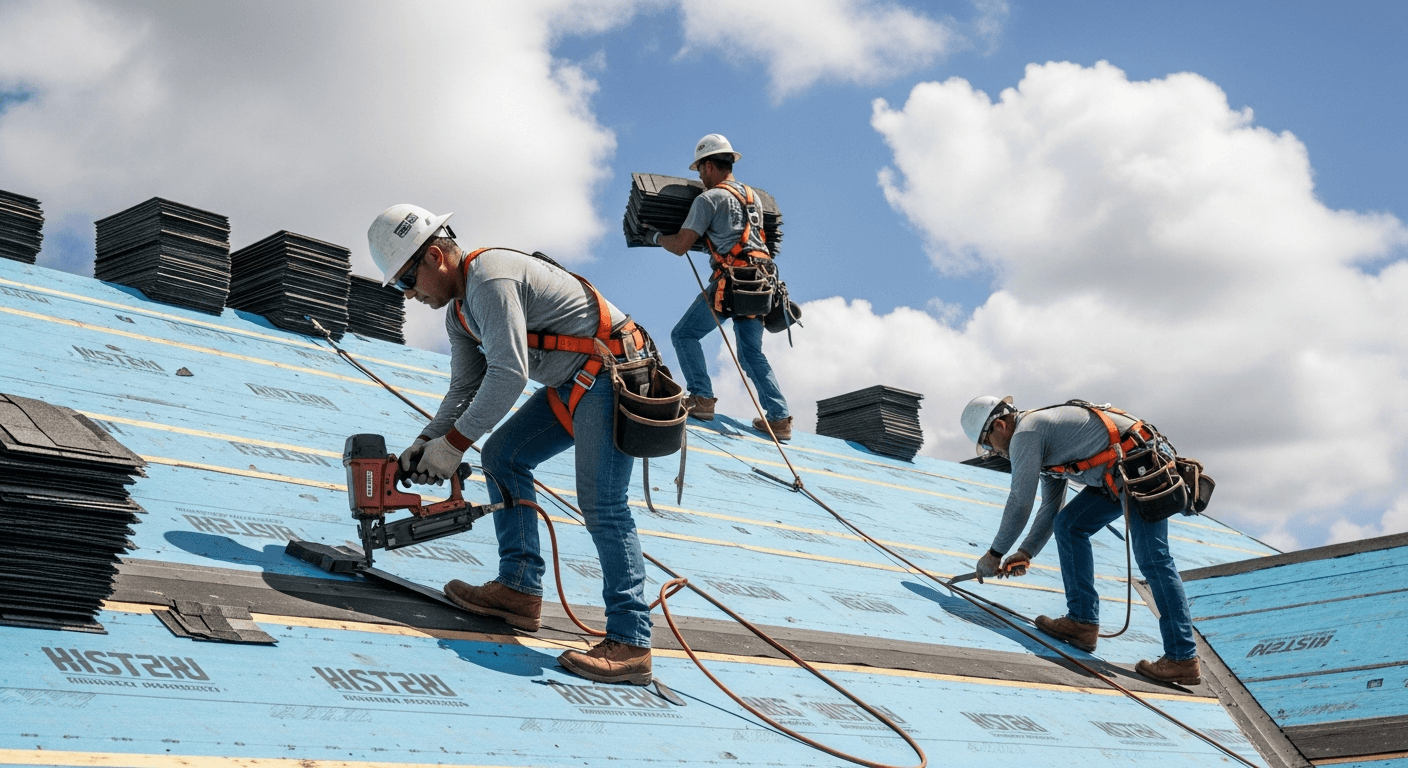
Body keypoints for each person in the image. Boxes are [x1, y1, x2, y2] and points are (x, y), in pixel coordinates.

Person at [367, 204, 654, 685]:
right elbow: (464, 388)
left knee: (602, 504)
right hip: (574, 382)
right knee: (504, 456)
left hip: (611, 373)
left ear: (436, 256)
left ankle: (632, 642)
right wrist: (427, 441)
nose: (409, 295)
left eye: (406, 281)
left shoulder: (490, 280)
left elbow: (508, 374)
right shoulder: (459, 312)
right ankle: (519, 590)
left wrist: (454, 444)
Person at [958, 395, 1201, 685]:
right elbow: (1050, 507)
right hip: (1120, 471)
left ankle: (1182, 657)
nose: (993, 452)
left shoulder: (1026, 433)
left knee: (1154, 558)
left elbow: (1021, 501)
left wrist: (994, 553)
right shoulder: (1042, 437)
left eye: (988, 444)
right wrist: (1026, 551)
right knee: (1070, 525)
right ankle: (1082, 623)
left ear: (999, 425)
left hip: (1140, 467)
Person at [649, 133, 792, 440]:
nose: (700, 177)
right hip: (760, 283)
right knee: (752, 354)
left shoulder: (709, 199)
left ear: (710, 166)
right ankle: (780, 419)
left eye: (700, 170)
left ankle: (701, 398)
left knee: (684, 334)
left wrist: (657, 237)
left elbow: (680, 246)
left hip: (732, 284)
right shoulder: (751, 197)